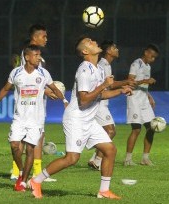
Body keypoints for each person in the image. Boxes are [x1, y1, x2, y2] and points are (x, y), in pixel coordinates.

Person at [28, 36, 132, 199]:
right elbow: (84, 99)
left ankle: (104, 191)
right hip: (76, 118)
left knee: (110, 150)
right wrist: (104, 85)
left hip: (89, 120)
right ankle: (36, 180)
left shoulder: (99, 69)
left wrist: (120, 91)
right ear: (85, 51)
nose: (95, 42)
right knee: (71, 158)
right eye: (90, 42)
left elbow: (100, 95)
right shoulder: (84, 70)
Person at [0, 45, 68, 192]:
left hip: (36, 119)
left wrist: (65, 102)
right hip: (19, 118)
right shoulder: (16, 73)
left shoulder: (43, 73)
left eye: (39, 55)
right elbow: (5, 89)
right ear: (27, 57)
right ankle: (22, 172)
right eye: (36, 55)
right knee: (14, 145)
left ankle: (22, 182)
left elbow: (54, 89)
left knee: (30, 149)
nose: (39, 58)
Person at [9, 24, 57, 182]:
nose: (46, 39)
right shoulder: (28, 56)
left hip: (35, 103)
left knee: (26, 139)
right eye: (44, 36)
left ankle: (18, 171)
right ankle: (30, 172)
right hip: (30, 105)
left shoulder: (36, 56)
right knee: (32, 138)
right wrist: (46, 91)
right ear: (34, 37)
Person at [88, 40, 135, 170]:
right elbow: (110, 84)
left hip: (100, 103)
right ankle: (97, 161)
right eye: (114, 47)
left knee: (104, 132)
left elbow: (110, 83)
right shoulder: (103, 64)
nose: (117, 49)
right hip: (99, 103)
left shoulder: (105, 64)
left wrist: (124, 85)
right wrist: (126, 82)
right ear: (108, 51)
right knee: (110, 131)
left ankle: (94, 158)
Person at [123, 44, 159, 166]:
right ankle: (128, 159)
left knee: (152, 128)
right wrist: (145, 81)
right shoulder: (136, 64)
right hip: (134, 99)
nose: (153, 59)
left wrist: (149, 96)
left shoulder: (147, 66)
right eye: (152, 56)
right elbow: (130, 81)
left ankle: (145, 158)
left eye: (155, 57)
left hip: (144, 100)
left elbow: (144, 86)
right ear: (146, 52)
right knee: (136, 129)